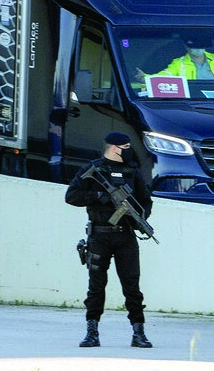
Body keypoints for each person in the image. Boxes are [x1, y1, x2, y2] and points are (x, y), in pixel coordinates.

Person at [65, 132, 153, 349]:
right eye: (126, 146)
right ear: (114, 148)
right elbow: (71, 196)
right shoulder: (92, 169)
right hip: (99, 236)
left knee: (132, 287)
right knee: (96, 287)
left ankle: (138, 332)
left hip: (126, 236)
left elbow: (146, 201)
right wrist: (99, 197)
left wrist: (138, 219)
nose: (129, 150)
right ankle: (92, 332)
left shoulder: (132, 171)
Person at [135, 36, 214, 81]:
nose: (198, 49)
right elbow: (164, 76)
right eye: (194, 46)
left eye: (200, 46)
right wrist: (146, 78)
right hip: (192, 102)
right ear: (186, 47)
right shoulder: (178, 63)